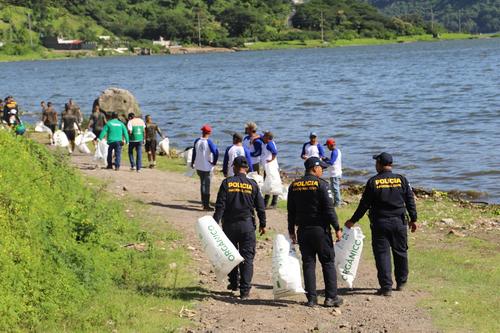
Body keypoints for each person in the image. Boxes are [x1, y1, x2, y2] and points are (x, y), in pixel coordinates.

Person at [345, 152, 417, 297]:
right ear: (391, 164)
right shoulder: (402, 179)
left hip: (380, 223)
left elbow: (364, 205)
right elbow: (410, 200)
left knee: (382, 254)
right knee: (400, 252)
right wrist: (413, 219)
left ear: (379, 164)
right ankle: (401, 282)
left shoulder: (373, 182)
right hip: (399, 222)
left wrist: (352, 221)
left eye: (376, 163)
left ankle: (386, 287)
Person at [287, 157, 343, 308]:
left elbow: (290, 211)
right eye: (321, 168)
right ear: (314, 168)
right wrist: (337, 228)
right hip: (320, 230)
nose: (323, 171)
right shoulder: (322, 185)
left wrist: (291, 230)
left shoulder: (294, 185)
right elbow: (329, 209)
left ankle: (311, 299)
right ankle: (331, 298)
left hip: (303, 231)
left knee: (308, 263)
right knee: (327, 262)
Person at [213, 156, 266, 299]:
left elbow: (220, 206)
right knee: (247, 257)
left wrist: (214, 223)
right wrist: (263, 224)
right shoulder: (253, 184)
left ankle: (234, 282)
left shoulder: (227, 183)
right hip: (247, 225)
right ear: (247, 169)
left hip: (229, 225)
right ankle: (245, 290)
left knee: (230, 255)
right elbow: (260, 207)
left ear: (234, 167)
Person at [192, 124, 219, 210]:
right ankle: (206, 205)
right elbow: (216, 152)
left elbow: (194, 152)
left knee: (202, 184)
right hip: (206, 166)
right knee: (206, 185)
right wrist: (214, 162)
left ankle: (203, 202)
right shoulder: (209, 142)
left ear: (202, 132)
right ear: (209, 132)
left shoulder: (197, 141)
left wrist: (193, 162)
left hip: (198, 165)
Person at [261, 131, 279, 209]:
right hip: (268, 167)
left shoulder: (270, 144)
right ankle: (266, 202)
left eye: (264, 136)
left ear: (268, 138)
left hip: (271, 167)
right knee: (268, 182)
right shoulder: (268, 142)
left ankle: (272, 203)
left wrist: (272, 159)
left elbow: (275, 152)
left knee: (272, 183)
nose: (263, 137)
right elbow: (260, 136)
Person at [323, 138, 342, 207]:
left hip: (335, 174)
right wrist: (326, 159)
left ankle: (337, 204)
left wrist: (323, 162)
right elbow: (333, 160)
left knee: (335, 189)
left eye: (327, 145)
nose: (327, 147)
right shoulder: (338, 151)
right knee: (334, 188)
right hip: (337, 172)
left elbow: (331, 162)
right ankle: (337, 202)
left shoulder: (334, 152)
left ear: (330, 145)